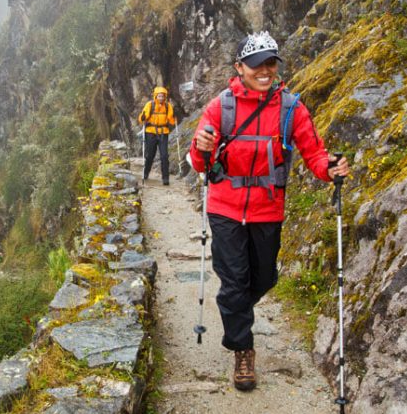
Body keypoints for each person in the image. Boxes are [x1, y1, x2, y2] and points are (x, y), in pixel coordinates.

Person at [189, 31, 350, 392]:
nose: (265, 70)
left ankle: (237, 312)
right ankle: (242, 350)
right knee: (234, 284)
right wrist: (200, 148)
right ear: (240, 68)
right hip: (225, 208)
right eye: (257, 64)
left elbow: (314, 153)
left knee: (263, 280)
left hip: (267, 211)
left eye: (271, 63)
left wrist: (330, 169)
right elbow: (201, 161)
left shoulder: (292, 109)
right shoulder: (220, 107)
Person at [138, 86, 177, 185]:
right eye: (159, 96)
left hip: (163, 133)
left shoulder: (168, 106)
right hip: (150, 132)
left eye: (163, 96)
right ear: (155, 96)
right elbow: (142, 118)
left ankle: (165, 178)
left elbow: (171, 121)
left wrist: (173, 117)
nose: (161, 98)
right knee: (150, 155)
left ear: (165, 97)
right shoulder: (149, 105)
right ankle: (146, 172)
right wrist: (142, 117)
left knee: (164, 155)